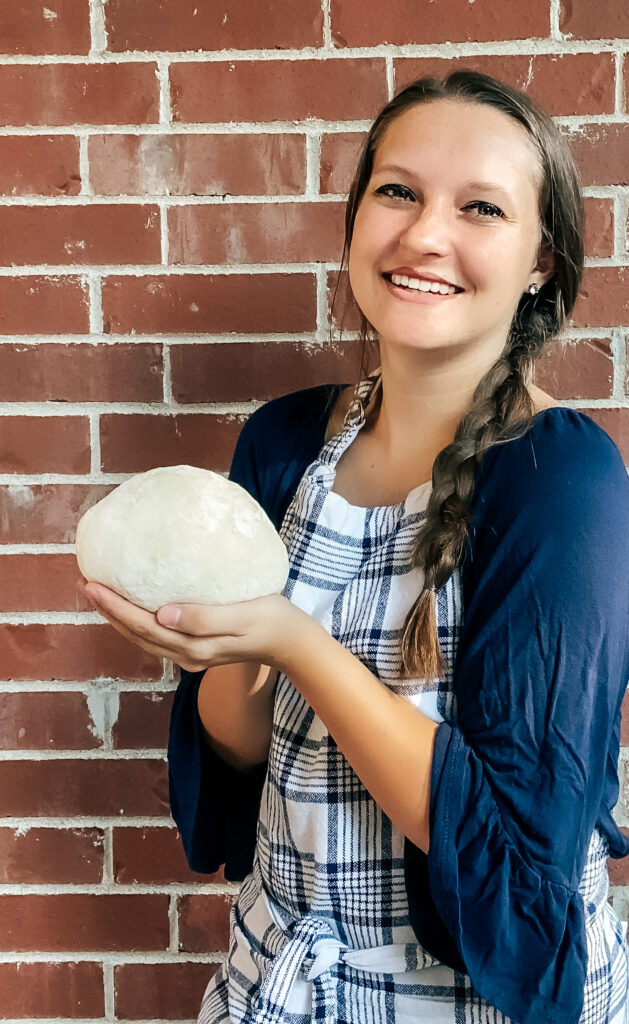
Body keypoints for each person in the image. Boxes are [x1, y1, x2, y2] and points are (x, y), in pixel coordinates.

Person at [81, 71, 629, 1023]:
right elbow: (243, 752)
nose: (423, 236)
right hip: (280, 977)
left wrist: (292, 641)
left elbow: (507, 846)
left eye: (480, 208)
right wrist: (219, 644)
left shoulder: (559, 480)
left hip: (458, 995)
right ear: (354, 217)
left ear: (541, 260)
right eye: (397, 191)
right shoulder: (284, 440)